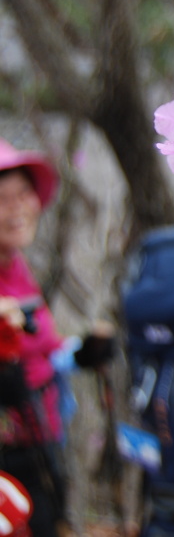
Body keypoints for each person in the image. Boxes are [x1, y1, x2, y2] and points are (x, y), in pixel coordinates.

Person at [0, 140, 113, 537]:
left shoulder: (15, 266)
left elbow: (40, 352)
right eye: (2, 199)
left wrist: (82, 354)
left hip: (40, 447)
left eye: (23, 194)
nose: (17, 208)